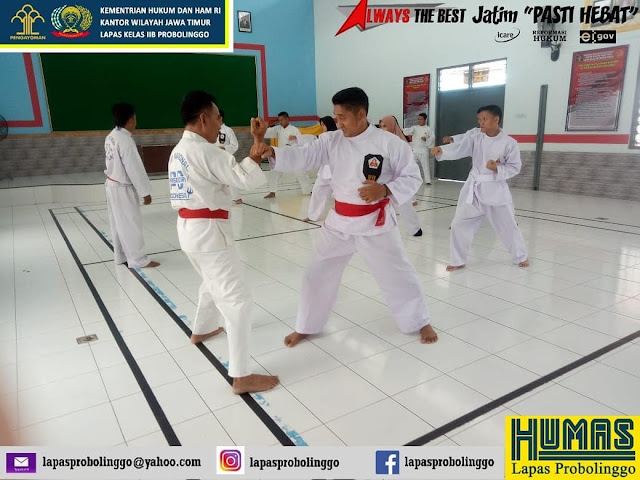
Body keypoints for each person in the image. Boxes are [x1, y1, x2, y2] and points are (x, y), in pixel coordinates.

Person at [250, 87, 438, 346]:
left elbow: (412, 176)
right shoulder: (331, 140)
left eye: (342, 117)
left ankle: (419, 321)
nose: (337, 123)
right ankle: (307, 325)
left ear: (361, 114)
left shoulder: (389, 143)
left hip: (375, 222)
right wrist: (272, 152)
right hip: (339, 223)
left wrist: (385, 189)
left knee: (397, 273)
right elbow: (304, 156)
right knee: (316, 273)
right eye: (336, 117)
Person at [168, 91, 279, 394]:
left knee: (210, 281)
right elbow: (244, 179)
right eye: (218, 118)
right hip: (209, 232)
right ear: (203, 119)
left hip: (189, 230)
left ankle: (202, 329)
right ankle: (241, 376)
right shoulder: (206, 151)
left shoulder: (178, 151)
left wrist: (256, 142)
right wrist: (257, 145)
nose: (220, 124)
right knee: (237, 300)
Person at [431, 105, 529, 271]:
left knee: (507, 225)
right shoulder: (476, 137)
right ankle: (458, 260)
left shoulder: (509, 143)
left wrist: (497, 168)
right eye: (479, 119)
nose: (481, 122)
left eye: (484, 119)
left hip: (495, 190)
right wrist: (442, 151)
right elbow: (460, 148)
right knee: (459, 224)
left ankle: (521, 256)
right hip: (474, 189)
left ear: (496, 119)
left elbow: (515, 167)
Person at [104, 103, 159, 269]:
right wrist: (145, 192)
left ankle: (121, 256)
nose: (135, 122)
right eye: (134, 118)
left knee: (118, 223)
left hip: (112, 184)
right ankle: (138, 259)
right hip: (122, 187)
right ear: (129, 120)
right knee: (130, 223)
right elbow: (134, 168)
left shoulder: (111, 136)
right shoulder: (125, 140)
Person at [378, 115, 423, 237]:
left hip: (397, 181)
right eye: (381, 126)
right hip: (383, 180)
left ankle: (415, 229)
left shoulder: (400, 143)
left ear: (392, 126)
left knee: (404, 204)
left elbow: (407, 166)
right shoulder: (380, 142)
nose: (382, 129)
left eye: (385, 126)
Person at [262, 112, 312, 198]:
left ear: (287, 119)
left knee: (300, 172)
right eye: (279, 120)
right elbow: (265, 133)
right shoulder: (278, 129)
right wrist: (268, 124)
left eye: (282, 120)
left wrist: (290, 145)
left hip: (292, 154)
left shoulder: (294, 130)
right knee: (274, 172)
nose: (280, 122)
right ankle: (272, 192)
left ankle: (308, 190)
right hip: (281, 155)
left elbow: (299, 142)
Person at [301, 116, 337, 223]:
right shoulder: (324, 136)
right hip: (325, 172)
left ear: (327, 125)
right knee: (317, 191)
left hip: (337, 171)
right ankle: (312, 215)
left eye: (323, 125)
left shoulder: (336, 135)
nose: (322, 127)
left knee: (342, 195)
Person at [213, 109, 242, 204]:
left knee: (231, 178)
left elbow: (235, 145)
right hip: (214, 159)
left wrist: (224, 148)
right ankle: (218, 199)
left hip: (226, 159)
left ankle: (237, 198)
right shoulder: (211, 130)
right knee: (215, 179)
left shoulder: (228, 130)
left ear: (220, 118)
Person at [403, 113, 435, 185]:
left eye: (421, 119)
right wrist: (402, 130)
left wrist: (426, 139)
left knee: (425, 166)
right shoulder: (415, 128)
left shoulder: (428, 129)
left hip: (423, 150)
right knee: (411, 165)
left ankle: (428, 181)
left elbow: (432, 138)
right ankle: (410, 179)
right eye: (418, 119)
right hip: (415, 150)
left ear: (425, 120)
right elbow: (408, 131)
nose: (419, 121)